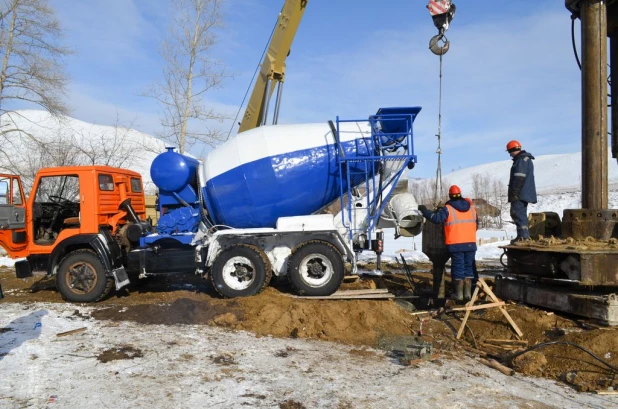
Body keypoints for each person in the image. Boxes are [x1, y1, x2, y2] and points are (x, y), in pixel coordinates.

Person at [419, 185, 478, 301]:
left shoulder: (448, 209)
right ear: (460, 194)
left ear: (450, 196)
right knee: (468, 268)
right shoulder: (472, 209)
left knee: (458, 267)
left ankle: (458, 295)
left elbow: (436, 219)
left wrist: (424, 211)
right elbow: (476, 225)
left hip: (456, 244)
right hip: (471, 243)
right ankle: (467, 294)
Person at [506, 140, 537, 243]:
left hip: (520, 193)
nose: (510, 154)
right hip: (524, 193)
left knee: (517, 213)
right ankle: (523, 235)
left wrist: (514, 193)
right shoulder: (525, 159)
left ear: (513, 150)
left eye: (510, 152)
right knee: (520, 213)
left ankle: (523, 236)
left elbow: (519, 178)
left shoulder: (521, 160)